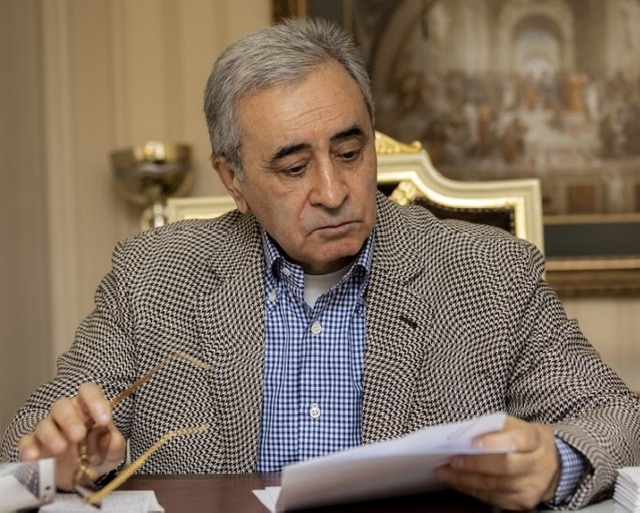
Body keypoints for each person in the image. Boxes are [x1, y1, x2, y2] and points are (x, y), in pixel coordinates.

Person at [2, 17, 639, 511]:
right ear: (233, 179)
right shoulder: (152, 276)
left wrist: (556, 462)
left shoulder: (488, 272)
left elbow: (621, 420)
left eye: (350, 152)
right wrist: (70, 460)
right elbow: (28, 442)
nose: (333, 192)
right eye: (293, 167)